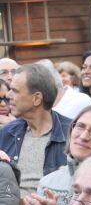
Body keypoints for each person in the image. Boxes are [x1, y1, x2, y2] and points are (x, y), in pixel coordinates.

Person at [0, 63, 71, 196]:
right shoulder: (6, 133)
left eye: (15, 90)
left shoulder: (72, 133)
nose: (8, 95)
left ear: (37, 98)